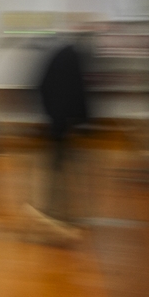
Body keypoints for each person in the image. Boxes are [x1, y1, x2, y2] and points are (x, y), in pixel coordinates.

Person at [27, 38, 90, 243]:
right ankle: (57, 215)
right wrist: (83, 121)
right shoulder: (73, 58)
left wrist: (51, 116)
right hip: (62, 122)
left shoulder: (60, 56)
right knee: (60, 167)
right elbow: (78, 91)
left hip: (58, 121)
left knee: (58, 166)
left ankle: (55, 212)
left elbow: (41, 86)